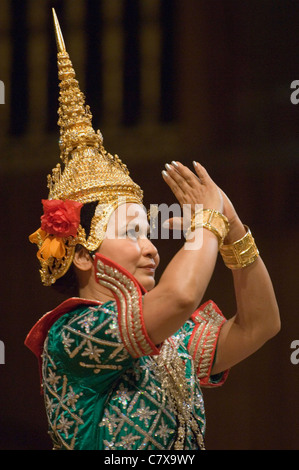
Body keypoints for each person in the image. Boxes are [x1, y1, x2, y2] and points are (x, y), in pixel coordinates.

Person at [25, 10, 280, 451]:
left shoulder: (172, 339)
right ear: (83, 254)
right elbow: (181, 297)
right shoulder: (73, 335)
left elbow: (260, 325)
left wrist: (235, 231)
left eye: (148, 231)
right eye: (131, 232)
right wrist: (207, 222)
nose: (151, 249)